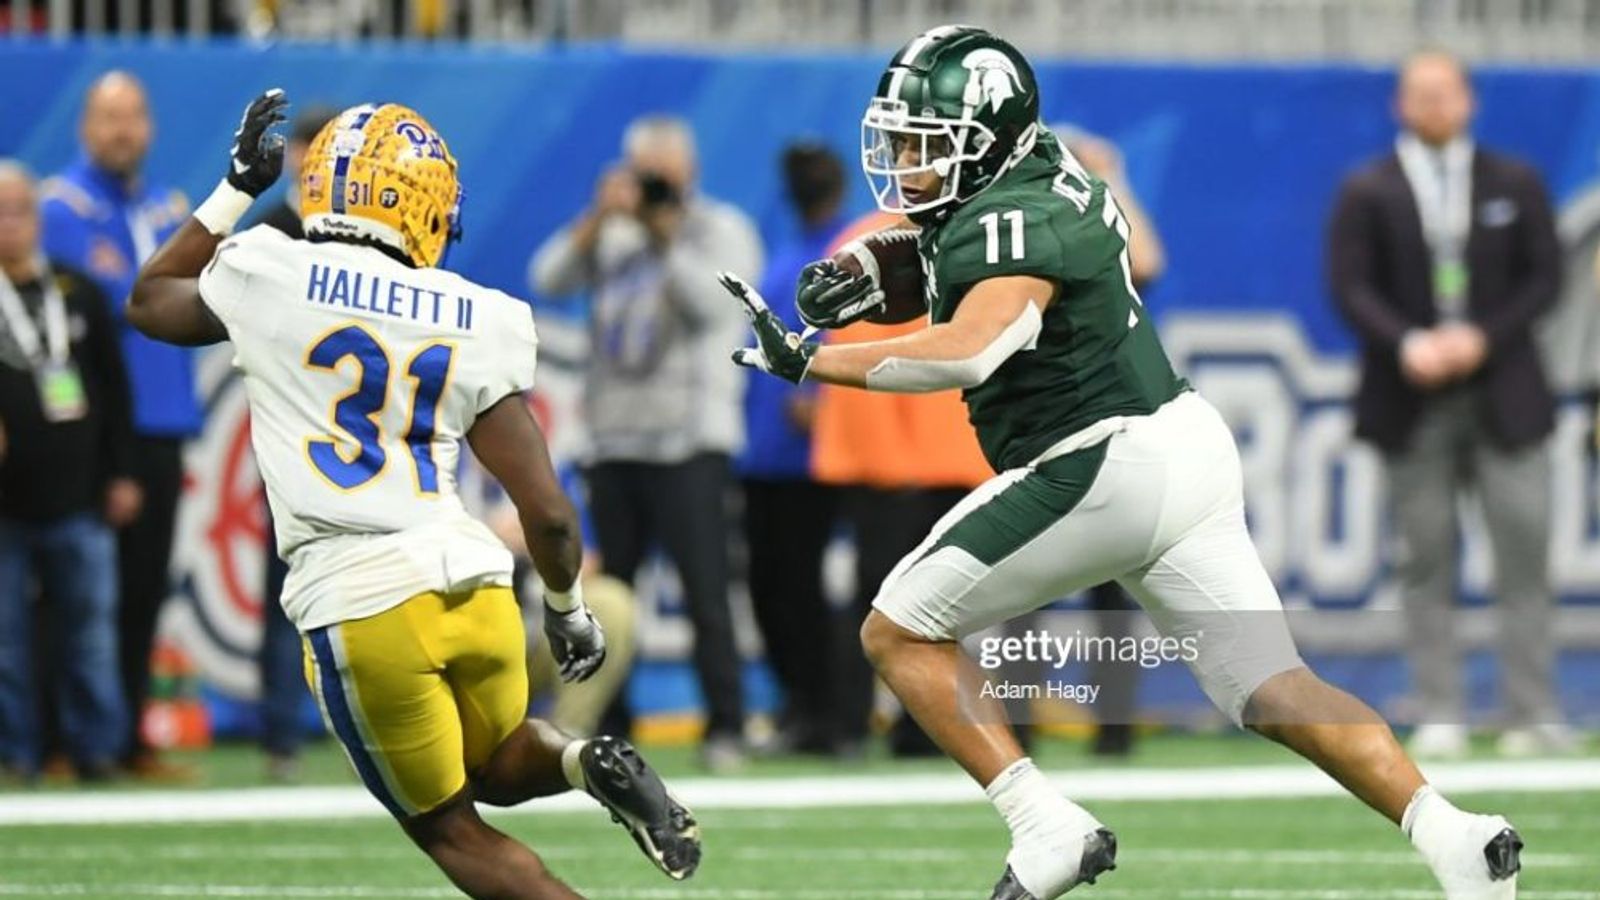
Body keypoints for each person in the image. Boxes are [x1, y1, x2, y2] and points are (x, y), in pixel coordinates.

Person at [725, 26, 1522, 900]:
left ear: (987, 138)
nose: (908, 162)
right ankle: (1455, 837)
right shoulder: (1043, 167)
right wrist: (874, 274)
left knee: (898, 627)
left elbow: (971, 347)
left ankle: (1046, 825)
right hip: (1182, 444)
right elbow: (962, 250)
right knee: (1272, 686)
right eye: (903, 141)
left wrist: (813, 359)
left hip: (1100, 460)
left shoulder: (1011, 218)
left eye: (928, 143)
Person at [127, 91, 699, 898]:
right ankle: (579, 757)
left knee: (450, 829)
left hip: (359, 595)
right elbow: (547, 510)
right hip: (471, 581)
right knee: (495, 764)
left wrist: (234, 189)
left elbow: (150, 299)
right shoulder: (477, 314)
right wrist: (567, 609)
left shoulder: (269, 269)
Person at [1328, 49, 1573, 759]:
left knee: (1523, 552)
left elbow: (1544, 279)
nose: (1434, 105)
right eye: (1420, 94)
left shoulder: (1514, 181)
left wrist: (1481, 339)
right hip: (1412, 398)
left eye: (1446, 93)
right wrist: (1408, 342)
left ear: (1468, 100)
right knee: (1426, 555)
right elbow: (1350, 286)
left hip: (1505, 395)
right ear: (1400, 105)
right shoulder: (1367, 189)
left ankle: (1531, 709)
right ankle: (1440, 707)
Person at [530, 115, 762, 769]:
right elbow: (547, 278)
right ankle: (611, 725)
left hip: (691, 441)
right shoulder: (611, 232)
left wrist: (665, 236)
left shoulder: (721, 229)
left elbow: (712, 307)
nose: (657, 184)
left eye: (666, 171)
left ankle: (727, 726)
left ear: (689, 170)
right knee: (612, 594)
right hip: (614, 440)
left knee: (706, 592)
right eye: (645, 172)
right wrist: (597, 219)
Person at [39, 71, 197, 779]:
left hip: (164, 424)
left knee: (141, 590)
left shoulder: (171, 210)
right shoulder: (58, 211)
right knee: (70, 594)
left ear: (152, 127)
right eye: (108, 117)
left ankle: (128, 735)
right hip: (91, 433)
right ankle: (59, 741)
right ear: (84, 127)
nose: (122, 130)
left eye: (133, 116)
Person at [0, 160, 140, 782]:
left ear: (37, 217)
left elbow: (113, 389)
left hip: (79, 497)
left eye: (20, 210)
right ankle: (15, 755)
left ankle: (95, 752)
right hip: (5, 507)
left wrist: (121, 473)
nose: (11, 224)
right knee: (4, 643)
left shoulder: (76, 289)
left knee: (89, 637)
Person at [1051, 123, 1168, 758]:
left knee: (1115, 583)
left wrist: (1112, 179)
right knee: (1023, 581)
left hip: (1112, 427)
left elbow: (1147, 260)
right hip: (1044, 427)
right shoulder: (1034, 233)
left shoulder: (1102, 238)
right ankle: (1019, 725)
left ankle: (1115, 726)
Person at [737, 142, 847, 754]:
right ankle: (795, 704)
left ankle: (823, 713)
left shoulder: (845, 246)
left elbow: (857, 324)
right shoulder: (788, 249)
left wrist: (827, 396)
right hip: (765, 446)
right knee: (767, 586)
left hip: (814, 453)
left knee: (801, 587)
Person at [249, 102, 337, 782]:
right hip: (288, 438)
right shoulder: (270, 236)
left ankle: (357, 725)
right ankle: (280, 732)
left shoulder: (356, 237)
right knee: (287, 595)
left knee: (356, 592)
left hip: (351, 446)